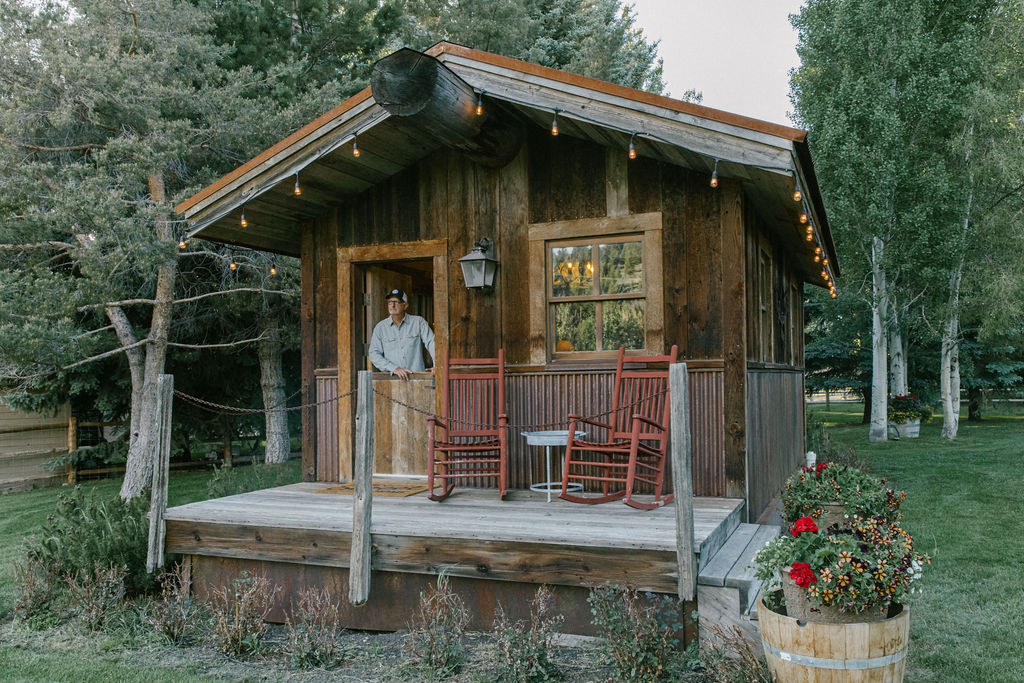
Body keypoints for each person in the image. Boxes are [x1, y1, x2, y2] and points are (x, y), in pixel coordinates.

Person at [368, 288, 435, 380]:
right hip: (392, 380)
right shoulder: (380, 328)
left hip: (417, 378)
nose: (393, 305)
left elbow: (432, 343)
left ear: (405, 305)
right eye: (390, 302)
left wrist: (437, 366)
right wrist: (393, 368)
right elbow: (374, 354)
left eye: (397, 301)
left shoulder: (418, 322)